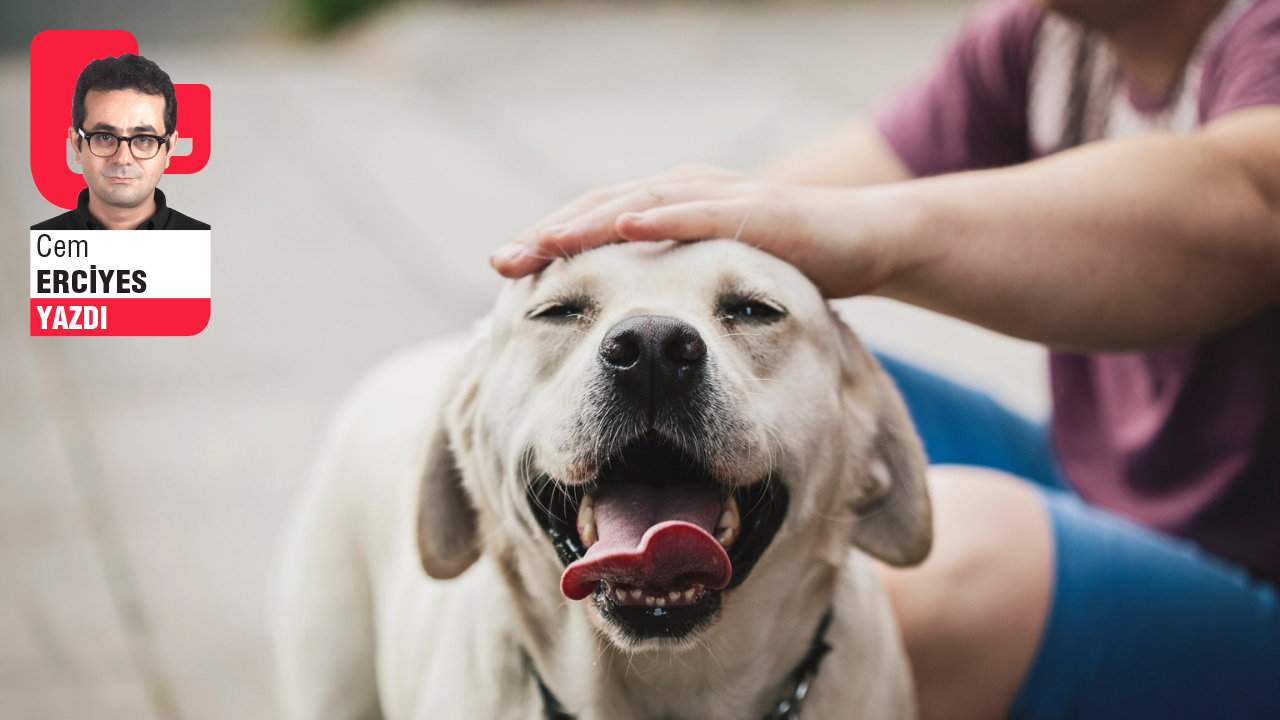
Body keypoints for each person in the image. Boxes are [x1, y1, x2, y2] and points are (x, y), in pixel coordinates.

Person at [490, 0, 1280, 718]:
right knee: (797, 369)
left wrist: (871, 237)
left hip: (1257, 588)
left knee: (957, 565)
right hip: (1097, 475)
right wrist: (561, 323)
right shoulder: (1040, 38)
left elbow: (1251, 196)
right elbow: (758, 219)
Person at [33, 53, 208, 231]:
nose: (123, 159)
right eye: (105, 137)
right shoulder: (39, 246)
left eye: (143, 139)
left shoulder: (203, 245)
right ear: (76, 143)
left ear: (169, 149)